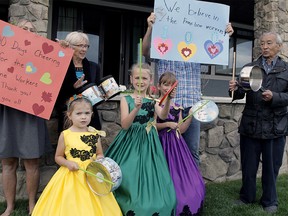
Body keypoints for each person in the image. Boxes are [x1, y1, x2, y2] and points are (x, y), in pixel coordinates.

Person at [142, 12, 234, 165]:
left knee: (192, 151)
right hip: (168, 110)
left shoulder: (197, 51)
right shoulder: (164, 50)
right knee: (166, 151)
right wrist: (150, 28)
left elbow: (217, 53)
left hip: (192, 108)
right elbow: (145, 51)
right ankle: (167, 187)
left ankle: (194, 188)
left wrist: (226, 36)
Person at [31, 95, 122, 216]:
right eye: (78, 113)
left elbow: (99, 153)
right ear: (70, 115)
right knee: (71, 203)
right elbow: (58, 157)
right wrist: (68, 163)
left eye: (87, 113)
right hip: (71, 174)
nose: (83, 117)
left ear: (91, 114)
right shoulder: (66, 135)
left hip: (91, 175)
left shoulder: (94, 134)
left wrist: (99, 160)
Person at [105, 63, 177, 215]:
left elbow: (163, 116)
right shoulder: (126, 99)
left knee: (150, 175)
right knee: (128, 174)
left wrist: (168, 99)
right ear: (131, 79)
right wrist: (136, 108)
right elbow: (125, 125)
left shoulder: (153, 100)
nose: (140, 81)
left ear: (150, 80)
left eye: (144, 78)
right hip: (129, 142)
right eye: (137, 77)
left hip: (149, 143)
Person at [229, 32, 288, 214]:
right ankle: (247, 197)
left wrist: (275, 97)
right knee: (248, 165)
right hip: (251, 124)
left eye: (269, 43)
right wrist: (234, 88)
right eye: (262, 43)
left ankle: (270, 201)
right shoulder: (249, 67)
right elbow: (239, 94)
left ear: (279, 46)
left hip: (275, 126)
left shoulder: (286, 69)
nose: (264, 46)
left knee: (271, 167)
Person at [0, 19, 51, 216]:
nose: (28, 31)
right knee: (8, 162)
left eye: (31, 29)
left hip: (31, 112)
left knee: (32, 162)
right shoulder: (4, 53)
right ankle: (10, 206)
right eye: (23, 29)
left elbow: (53, 78)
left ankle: (32, 205)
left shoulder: (43, 57)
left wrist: (62, 52)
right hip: (8, 112)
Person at [156, 71, 205, 215]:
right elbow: (154, 125)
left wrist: (190, 116)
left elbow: (180, 130)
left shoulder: (178, 107)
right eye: (165, 84)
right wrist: (166, 125)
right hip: (160, 144)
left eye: (171, 85)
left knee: (179, 176)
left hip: (176, 146)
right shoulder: (155, 103)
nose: (168, 87)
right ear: (159, 86)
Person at [55, 31, 101, 137]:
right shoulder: (61, 64)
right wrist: (73, 87)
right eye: (80, 46)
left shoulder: (93, 67)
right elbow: (56, 90)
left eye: (86, 46)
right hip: (70, 115)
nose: (84, 49)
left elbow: (96, 89)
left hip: (89, 115)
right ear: (70, 46)